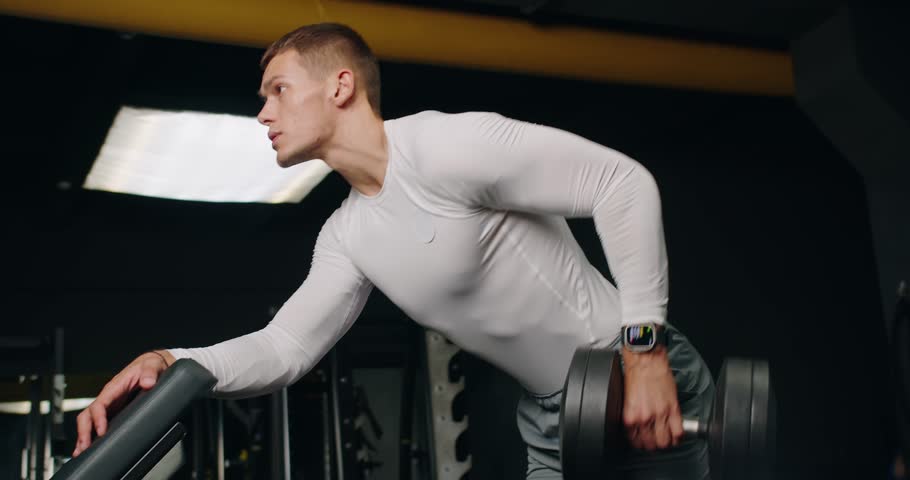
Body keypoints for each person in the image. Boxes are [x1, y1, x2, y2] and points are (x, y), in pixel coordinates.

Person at [74, 23, 715, 479]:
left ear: (341, 86)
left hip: (634, 376)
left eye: (278, 90)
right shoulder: (349, 235)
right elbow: (284, 348)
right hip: (556, 420)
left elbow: (619, 183)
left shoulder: (447, 147)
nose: (263, 112)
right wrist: (170, 360)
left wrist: (645, 352)